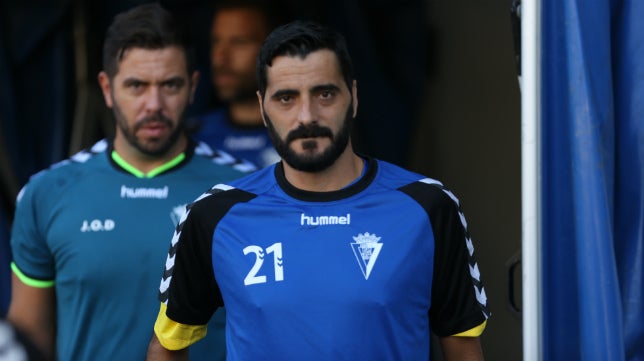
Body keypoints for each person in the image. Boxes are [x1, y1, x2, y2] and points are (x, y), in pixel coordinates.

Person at [146, 20, 491, 361]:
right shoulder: (216, 214)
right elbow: (168, 346)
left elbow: (462, 348)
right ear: (263, 108)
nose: (306, 115)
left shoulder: (428, 207)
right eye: (286, 98)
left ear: (353, 97)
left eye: (324, 94)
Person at [6, 4, 253, 361]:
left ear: (193, 87)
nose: (154, 104)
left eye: (170, 85)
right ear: (106, 88)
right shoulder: (46, 193)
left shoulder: (246, 191)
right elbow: (28, 339)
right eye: (136, 85)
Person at [188, 0, 283, 168]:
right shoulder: (189, 139)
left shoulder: (302, 137)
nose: (220, 57)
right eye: (216, 41)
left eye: (239, 42)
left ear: (277, 49)